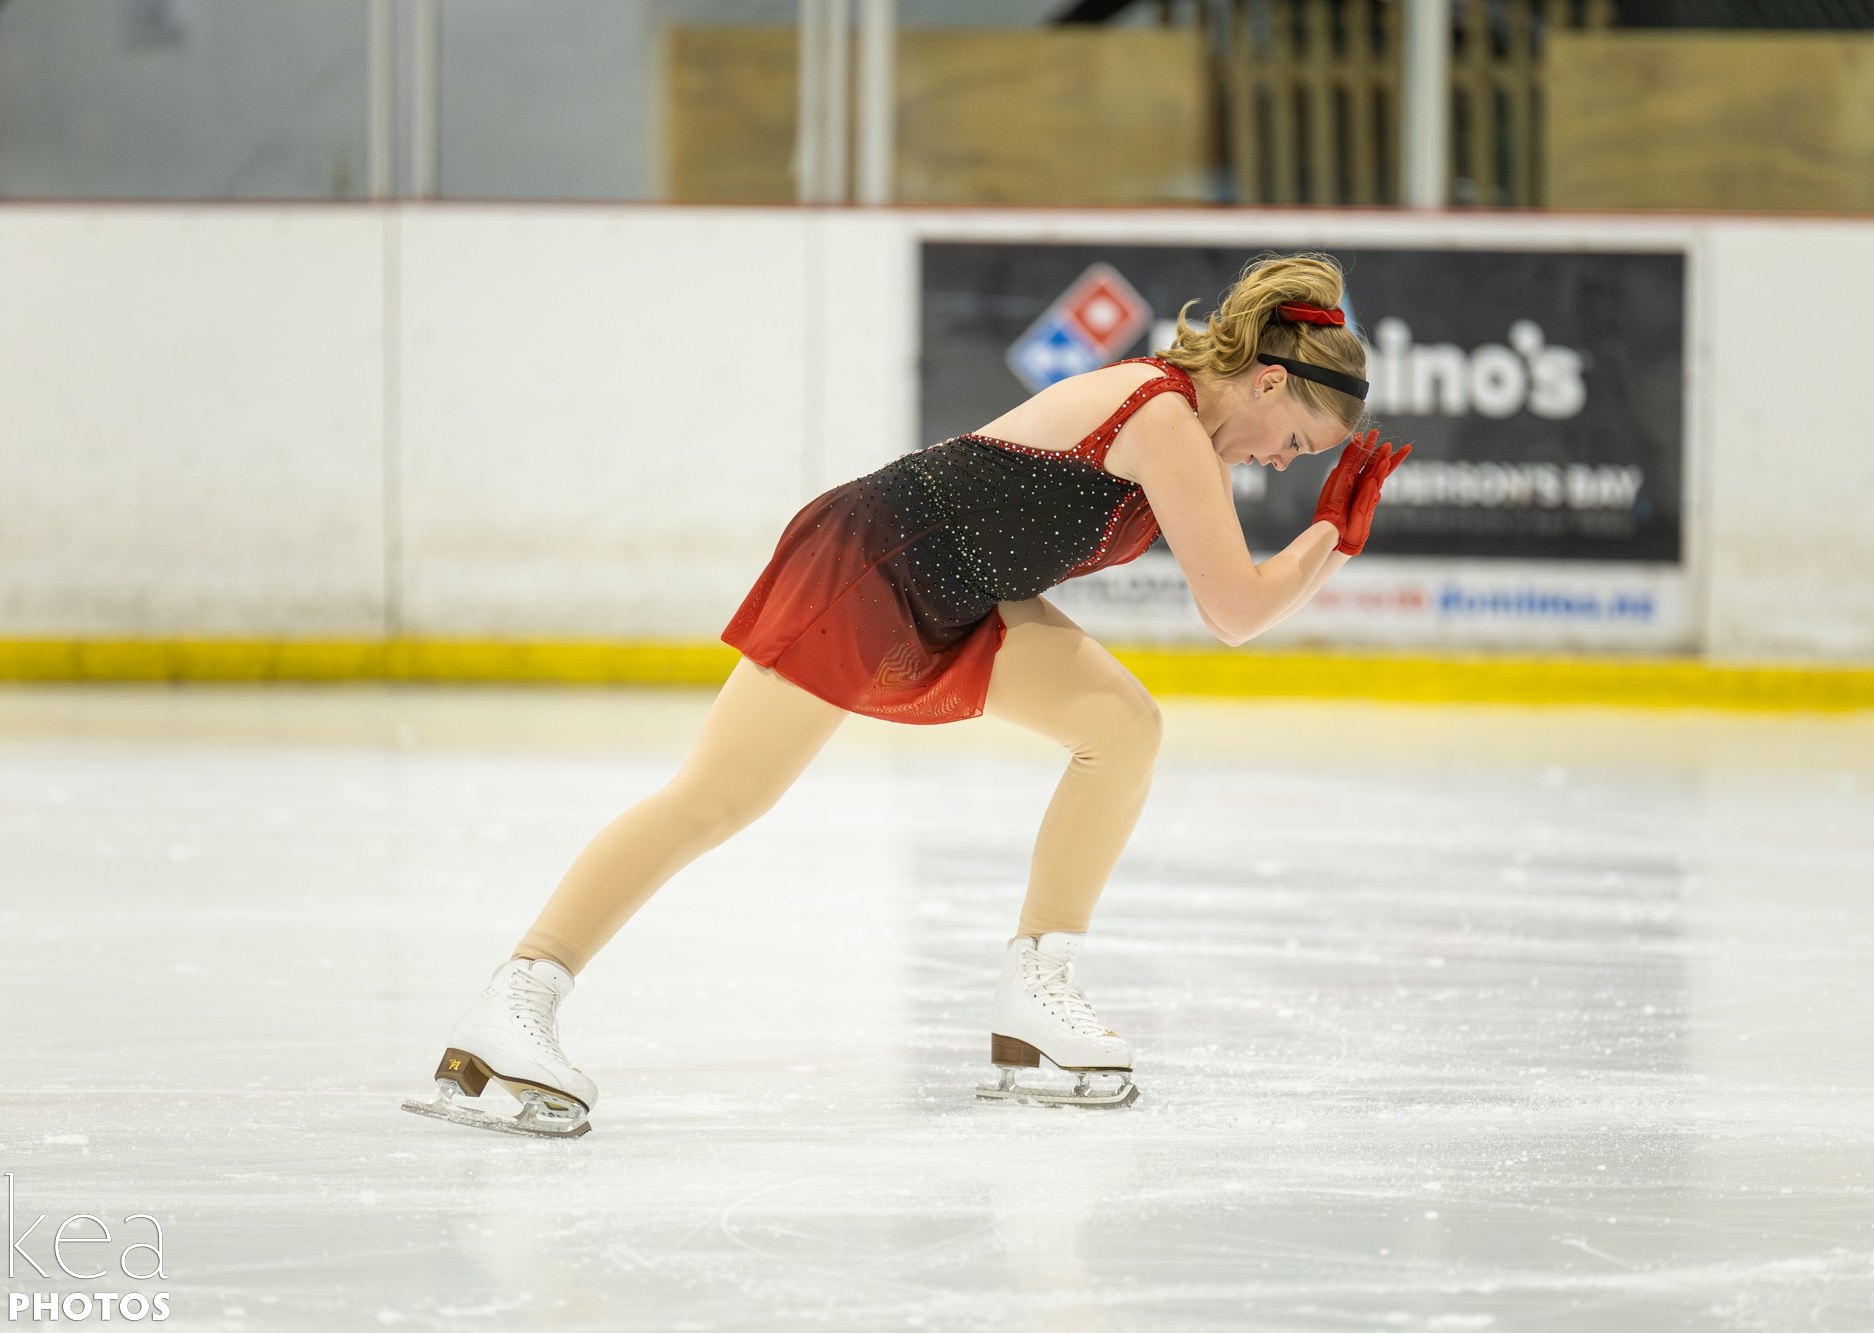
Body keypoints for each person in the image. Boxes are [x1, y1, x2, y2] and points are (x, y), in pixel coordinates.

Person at [401, 252, 1411, 1135]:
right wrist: (1332, 536)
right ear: (1268, 380)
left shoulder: (1182, 430)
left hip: (962, 591)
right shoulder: (1164, 419)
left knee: (1120, 728)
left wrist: (1329, 540)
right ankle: (518, 997)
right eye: (1296, 439)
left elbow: (1234, 604)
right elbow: (1235, 610)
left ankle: (1035, 992)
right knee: (717, 797)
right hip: (875, 563)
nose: (1282, 461)